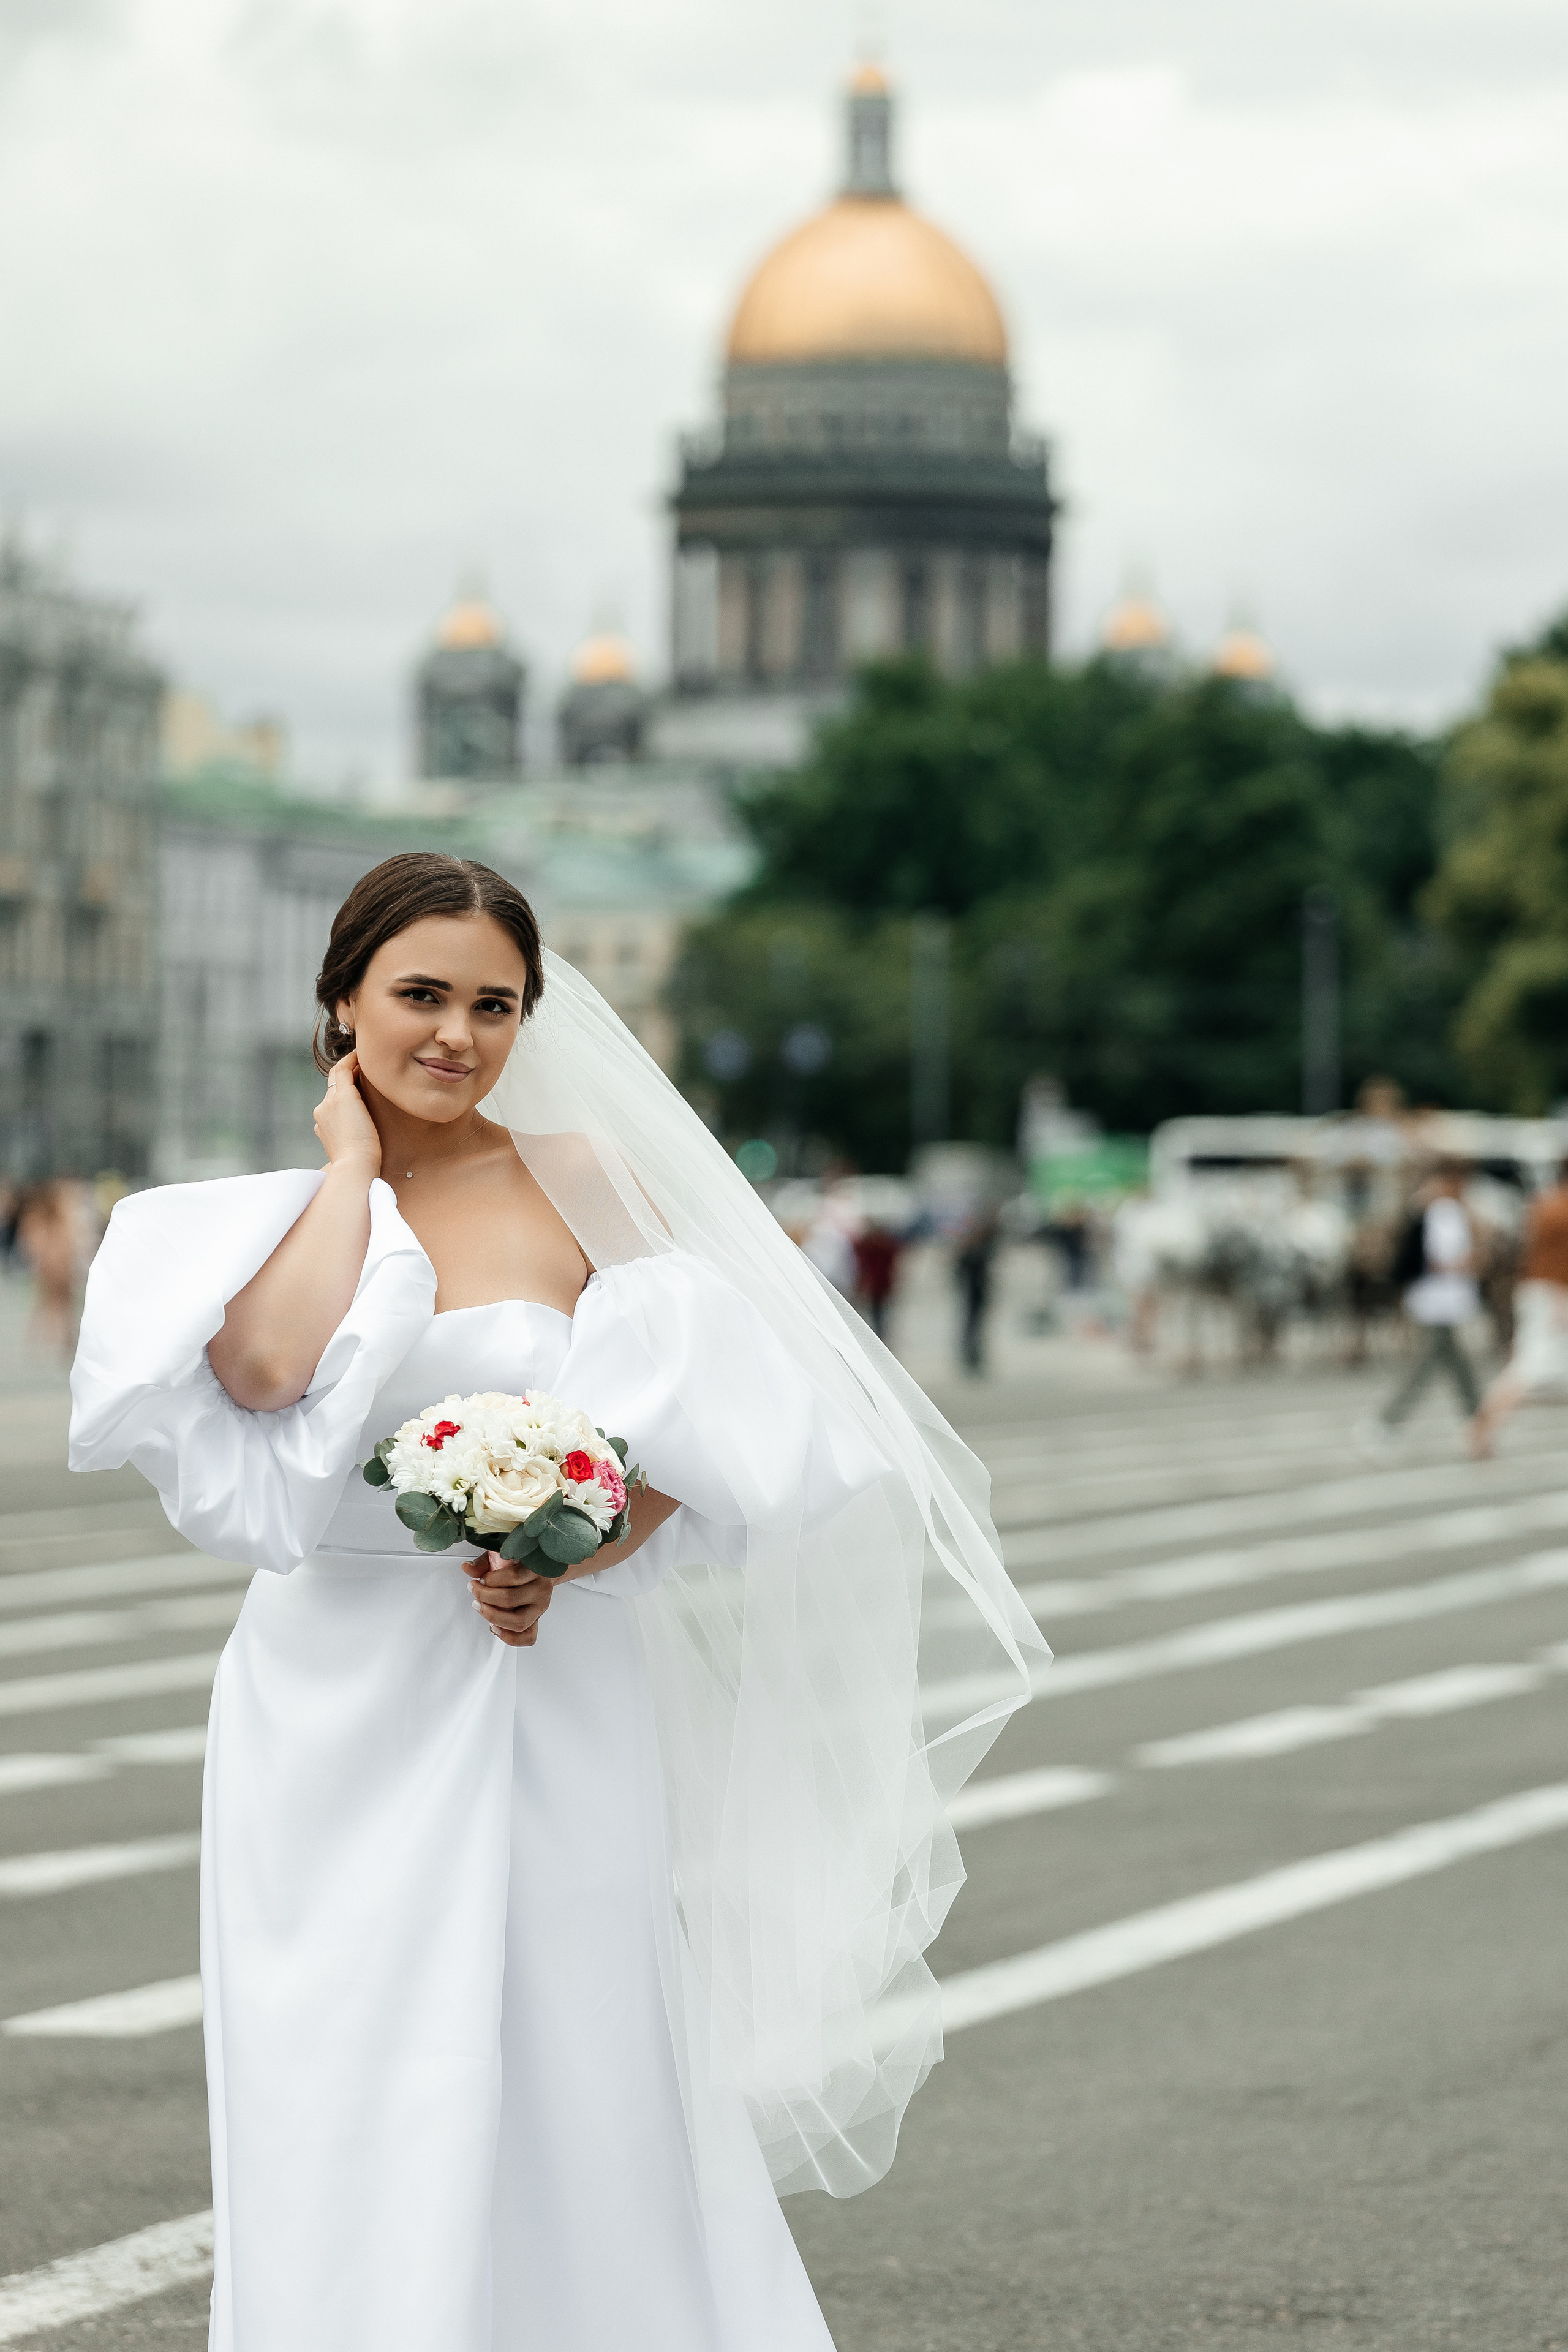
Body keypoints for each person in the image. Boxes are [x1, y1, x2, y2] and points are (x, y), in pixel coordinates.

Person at [68, 853, 1045, 2352]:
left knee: (578, 2044)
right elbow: (266, 1373)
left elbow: (721, 1417)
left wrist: (571, 1543)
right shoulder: (257, 1215)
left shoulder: (581, 1177)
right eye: (419, 994)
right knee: (335, 2054)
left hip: (547, 1669)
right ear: (343, 1001)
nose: (455, 1033)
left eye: (493, 1003)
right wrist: (350, 1171)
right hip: (325, 1688)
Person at [1373, 1164, 1482, 1435]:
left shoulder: (1449, 1212)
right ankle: (1388, 1421)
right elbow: (1436, 1259)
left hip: (1445, 1301)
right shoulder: (1437, 1213)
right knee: (1432, 1364)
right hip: (1435, 1301)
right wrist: (1461, 1266)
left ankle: (1478, 1419)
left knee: (1455, 1363)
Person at [1468, 1164, 1568, 1457]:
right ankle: (1482, 1429)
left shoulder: (1543, 1203)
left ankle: (1482, 1427)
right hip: (1552, 1294)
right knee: (1526, 1371)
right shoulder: (1560, 1209)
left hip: (1538, 1289)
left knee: (1527, 1367)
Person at [954, 1211, 999, 1373]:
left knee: (973, 1324)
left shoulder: (976, 1250)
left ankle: (973, 1353)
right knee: (972, 1324)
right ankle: (971, 1354)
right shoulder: (973, 1252)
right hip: (974, 1293)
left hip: (976, 1293)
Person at [852, 1218, 902, 1341]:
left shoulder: (870, 1245)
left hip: (876, 1283)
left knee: (877, 1311)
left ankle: (877, 1334)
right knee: (879, 1311)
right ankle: (879, 1333)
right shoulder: (886, 1245)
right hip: (881, 1283)